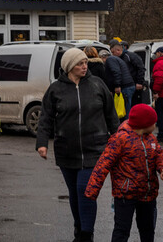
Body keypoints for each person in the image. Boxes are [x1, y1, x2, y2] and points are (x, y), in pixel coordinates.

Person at [36, 47, 119, 242]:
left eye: (85, 62)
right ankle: (79, 229)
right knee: (74, 193)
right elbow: (46, 117)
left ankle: (86, 234)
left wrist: (118, 140)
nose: (84, 66)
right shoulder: (56, 89)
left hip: (95, 148)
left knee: (86, 190)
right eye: (80, 63)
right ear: (69, 66)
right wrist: (42, 143)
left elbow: (111, 116)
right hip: (66, 149)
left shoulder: (97, 85)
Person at [85, 104, 163, 242]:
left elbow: (161, 158)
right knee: (121, 230)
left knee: (148, 230)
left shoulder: (151, 139)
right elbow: (102, 165)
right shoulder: (120, 139)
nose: (156, 124)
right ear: (143, 124)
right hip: (125, 195)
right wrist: (92, 190)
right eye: (153, 122)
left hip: (148, 194)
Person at [106, 42, 137, 116]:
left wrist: (117, 86)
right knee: (126, 109)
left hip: (125, 87)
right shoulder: (119, 59)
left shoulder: (111, 59)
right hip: (129, 85)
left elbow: (116, 72)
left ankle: (125, 126)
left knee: (124, 111)